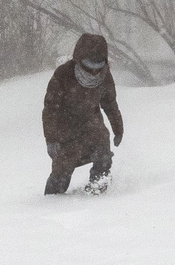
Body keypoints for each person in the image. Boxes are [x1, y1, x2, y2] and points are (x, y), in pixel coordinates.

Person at [42, 33, 123, 195]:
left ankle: (98, 190)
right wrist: (51, 139)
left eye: (98, 65)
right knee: (62, 170)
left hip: (93, 125)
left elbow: (110, 103)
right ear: (79, 59)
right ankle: (51, 202)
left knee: (103, 156)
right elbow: (50, 109)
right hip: (66, 129)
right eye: (88, 64)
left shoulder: (105, 75)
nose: (94, 70)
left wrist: (117, 128)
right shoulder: (63, 74)